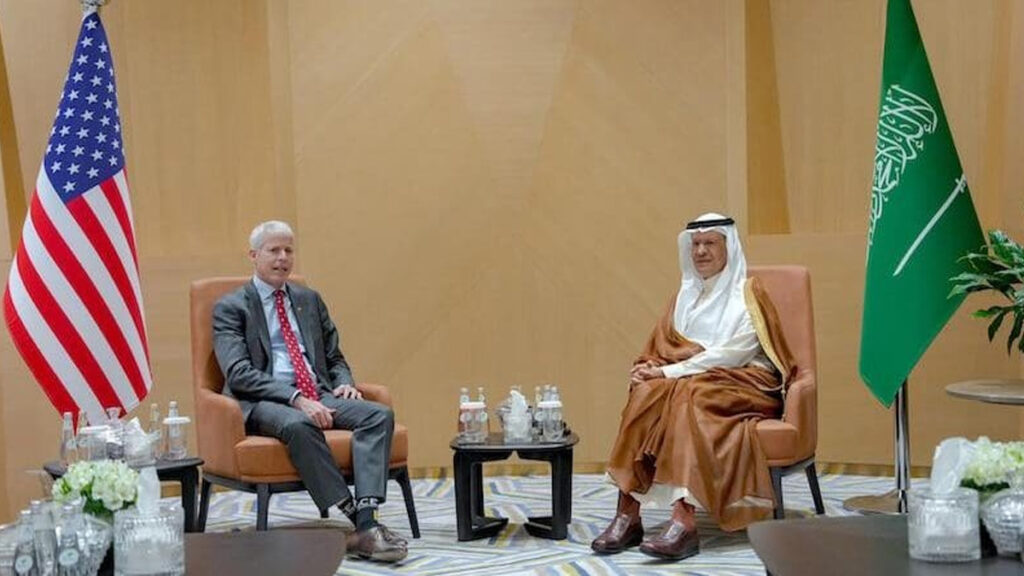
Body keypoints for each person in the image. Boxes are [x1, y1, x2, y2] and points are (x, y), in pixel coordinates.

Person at [591, 212, 796, 561]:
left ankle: (683, 521)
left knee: (689, 394)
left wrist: (668, 373)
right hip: (687, 380)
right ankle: (627, 514)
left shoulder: (749, 293)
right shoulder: (683, 296)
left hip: (743, 382)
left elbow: (733, 354)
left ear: (729, 247)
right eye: (696, 244)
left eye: (710, 243)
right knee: (646, 393)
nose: (701, 251)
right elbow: (662, 347)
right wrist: (650, 369)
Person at [212, 220, 407, 563]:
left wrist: (344, 382)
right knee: (299, 424)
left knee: (379, 415)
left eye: (288, 250)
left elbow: (334, 356)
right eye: (274, 250)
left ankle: (365, 522)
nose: (283, 258)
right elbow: (239, 374)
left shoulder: (308, 300)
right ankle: (358, 520)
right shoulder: (232, 307)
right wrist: (296, 399)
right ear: (254, 255)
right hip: (264, 399)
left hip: (317, 391)